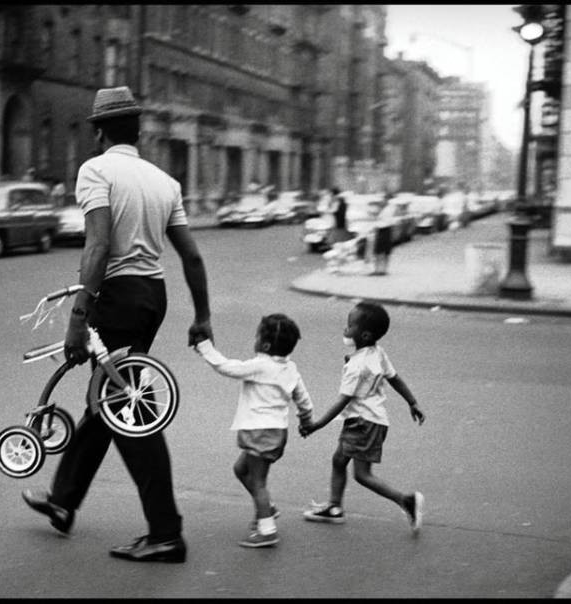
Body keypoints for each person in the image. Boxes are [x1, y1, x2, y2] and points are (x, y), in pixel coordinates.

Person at [21, 86, 213, 564]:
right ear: (138, 132)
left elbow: (98, 246)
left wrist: (78, 315)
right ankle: (63, 500)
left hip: (118, 296)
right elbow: (191, 256)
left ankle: (166, 532)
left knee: (127, 410)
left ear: (99, 132)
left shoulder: (96, 171)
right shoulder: (164, 182)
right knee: (107, 400)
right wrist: (202, 317)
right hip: (152, 296)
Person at [300, 301, 426, 533]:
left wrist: (316, 425)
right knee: (339, 460)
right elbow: (394, 378)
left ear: (365, 334)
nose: (345, 329)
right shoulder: (377, 353)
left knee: (362, 475)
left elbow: (343, 400)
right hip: (371, 420)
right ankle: (334, 507)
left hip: (362, 422)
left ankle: (406, 500)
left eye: (350, 326)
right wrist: (412, 402)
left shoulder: (356, 366)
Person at [193, 314, 314, 548]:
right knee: (240, 470)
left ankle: (267, 530)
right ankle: (267, 508)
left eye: (257, 336)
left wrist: (204, 347)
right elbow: (303, 399)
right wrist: (306, 420)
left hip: (260, 432)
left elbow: (225, 367)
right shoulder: (290, 368)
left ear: (265, 345)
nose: (255, 339)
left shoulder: (260, 366)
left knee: (258, 482)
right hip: (276, 432)